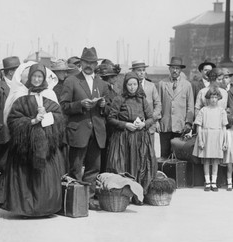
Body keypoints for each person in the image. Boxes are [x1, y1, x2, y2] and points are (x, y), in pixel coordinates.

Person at [0, 62, 64, 217]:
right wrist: (32, 121)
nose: (37, 79)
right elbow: (13, 120)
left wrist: (46, 116)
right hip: (24, 147)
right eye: (34, 76)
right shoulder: (21, 95)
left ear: (44, 78)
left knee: (44, 177)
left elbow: (59, 119)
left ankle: (45, 208)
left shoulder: (50, 95)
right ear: (29, 77)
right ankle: (26, 209)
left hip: (46, 146)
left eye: (40, 76)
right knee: (25, 177)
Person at [60, 47, 109, 210]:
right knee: (75, 168)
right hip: (78, 131)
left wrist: (103, 105)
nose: (89, 65)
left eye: (92, 62)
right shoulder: (71, 80)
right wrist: (79, 105)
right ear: (81, 63)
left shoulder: (102, 83)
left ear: (96, 64)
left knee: (93, 168)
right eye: (86, 62)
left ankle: (89, 199)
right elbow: (63, 106)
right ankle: (74, 201)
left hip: (97, 132)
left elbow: (108, 110)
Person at [105, 72, 157, 203]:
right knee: (123, 164)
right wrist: (125, 124)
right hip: (123, 138)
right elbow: (110, 118)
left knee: (140, 165)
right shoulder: (119, 99)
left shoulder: (142, 99)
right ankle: (123, 196)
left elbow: (151, 117)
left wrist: (144, 124)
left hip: (140, 138)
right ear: (125, 85)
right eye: (130, 84)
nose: (132, 87)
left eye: (135, 84)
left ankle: (138, 195)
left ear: (138, 85)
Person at [192, 85, 228, 192]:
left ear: (218, 98)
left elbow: (224, 127)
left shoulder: (222, 111)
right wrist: (201, 140)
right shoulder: (204, 110)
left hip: (217, 136)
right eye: (211, 97)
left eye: (215, 97)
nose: (213, 99)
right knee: (206, 160)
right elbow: (199, 125)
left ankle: (214, 182)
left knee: (216, 160)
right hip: (206, 135)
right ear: (208, 98)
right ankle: (207, 181)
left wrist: (225, 141)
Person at [0, 56, 20, 171]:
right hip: (2, 136)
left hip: (15, 134)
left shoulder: (18, 88)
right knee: (0, 167)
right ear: (11, 72)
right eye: (18, 70)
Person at [159, 57, 194, 158]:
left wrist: (188, 123)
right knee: (164, 154)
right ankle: (164, 173)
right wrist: (158, 121)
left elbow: (190, 107)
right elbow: (158, 104)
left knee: (178, 155)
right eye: (173, 68)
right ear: (169, 69)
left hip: (180, 126)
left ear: (180, 70)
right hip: (165, 125)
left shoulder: (187, 85)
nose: (175, 70)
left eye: (177, 68)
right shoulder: (162, 84)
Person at [131, 60, 161, 147]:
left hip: (149, 127)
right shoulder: (130, 86)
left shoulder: (151, 86)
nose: (141, 73)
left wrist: (151, 119)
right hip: (135, 126)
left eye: (143, 70)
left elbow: (158, 104)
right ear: (133, 71)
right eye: (139, 70)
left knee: (149, 152)